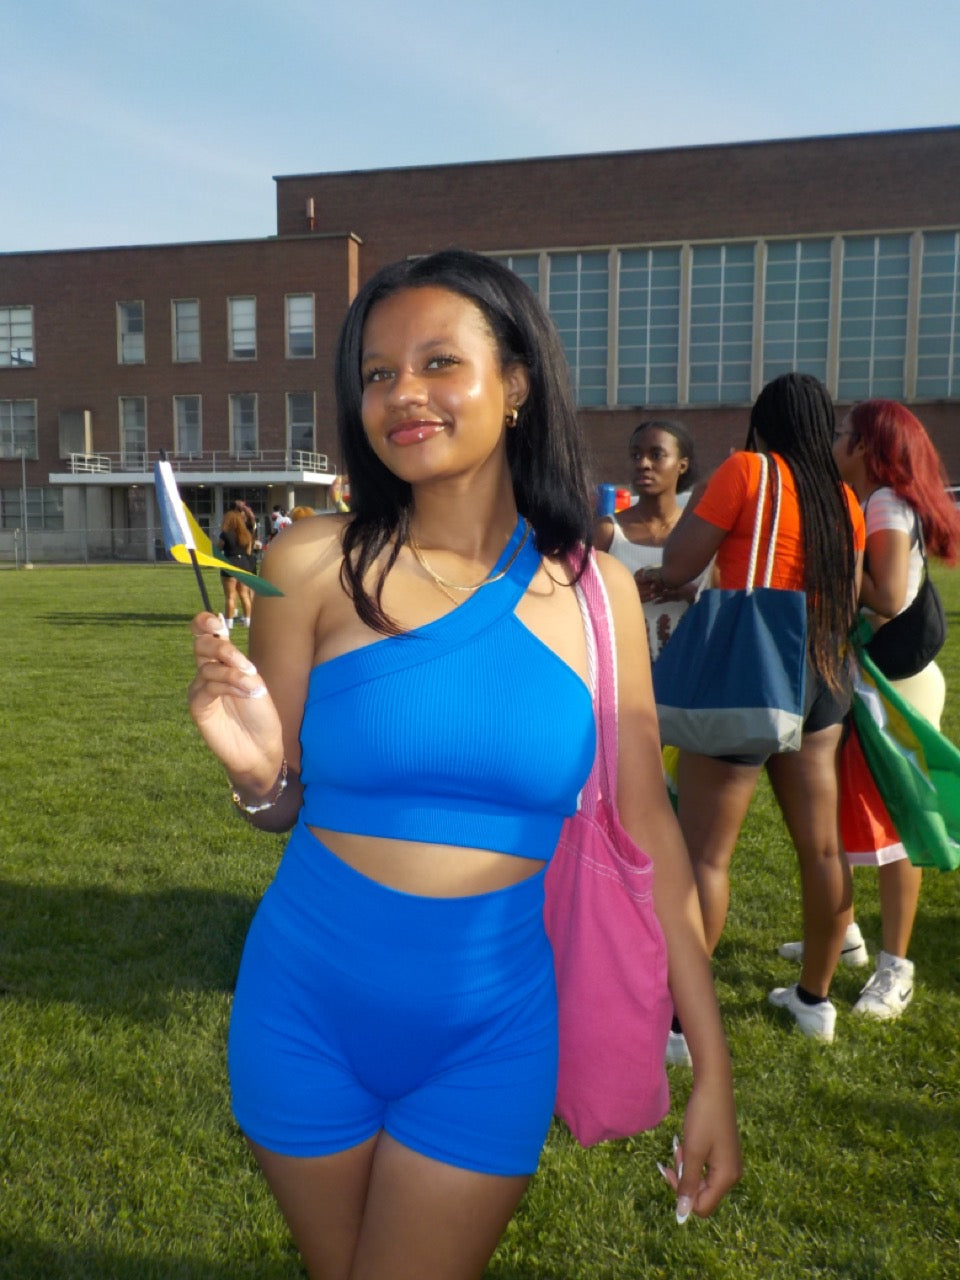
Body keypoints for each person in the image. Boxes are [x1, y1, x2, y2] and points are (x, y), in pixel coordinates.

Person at [187, 249, 739, 1280]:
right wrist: (260, 774)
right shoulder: (309, 563)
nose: (404, 395)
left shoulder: (594, 595)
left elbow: (652, 834)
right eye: (378, 373)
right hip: (303, 1002)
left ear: (518, 381)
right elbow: (276, 805)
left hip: (489, 1028)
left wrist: (711, 1063)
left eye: (440, 361)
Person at [653, 372, 865, 1047]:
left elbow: (681, 560)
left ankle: (681, 1025)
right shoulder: (843, 499)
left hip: (749, 671)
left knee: (705, 857)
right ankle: (815, 1001)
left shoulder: (748, 470)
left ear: (763, 422)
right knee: (823, 846)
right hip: (823, 671)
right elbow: (852, 594)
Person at [782, 398, 960, 1020]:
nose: (834, 443)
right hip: (877, 681)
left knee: (893, 833)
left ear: (865, 447)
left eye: (842, 435)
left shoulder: (883, 504)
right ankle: (846, 936)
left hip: (893, 689)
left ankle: (896, 969)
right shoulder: (878, 503)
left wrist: (831, 555)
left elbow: (883, 595)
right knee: (846, 814)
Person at [594, 419, 704, 663]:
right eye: (636, 455)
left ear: (682, 465)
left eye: (656, 455)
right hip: (624, 669)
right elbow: (580, 601)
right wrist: (624, 592)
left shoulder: (700, 530)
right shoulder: (608, 531)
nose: (643, 464)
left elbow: (720, 598)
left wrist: (687, 592)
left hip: (688, 670)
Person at [217, 507, 255, 629]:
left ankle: (229, 622)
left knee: (230, 595)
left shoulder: (225, 534)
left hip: (230, 563)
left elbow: (218, 549)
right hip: (244, 564)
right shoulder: (247, 535)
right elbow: (248, 552)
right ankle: (248, 621)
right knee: (244, 594)